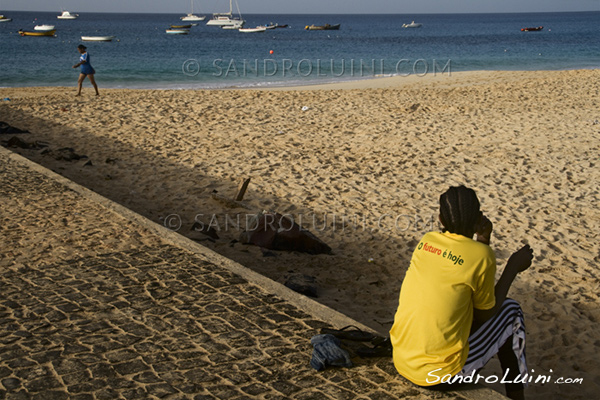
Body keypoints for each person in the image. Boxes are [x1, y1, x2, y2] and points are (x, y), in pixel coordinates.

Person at [389, 185, 534, 400]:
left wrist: (483, 241)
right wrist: (512, 267)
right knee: (511, 311)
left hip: (402, 360)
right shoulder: (483, 256)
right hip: (439, 376)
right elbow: (485, 312)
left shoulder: (427, 242)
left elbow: (470, 291)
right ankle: (516, 396)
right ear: (478, 218)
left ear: (440, 219)